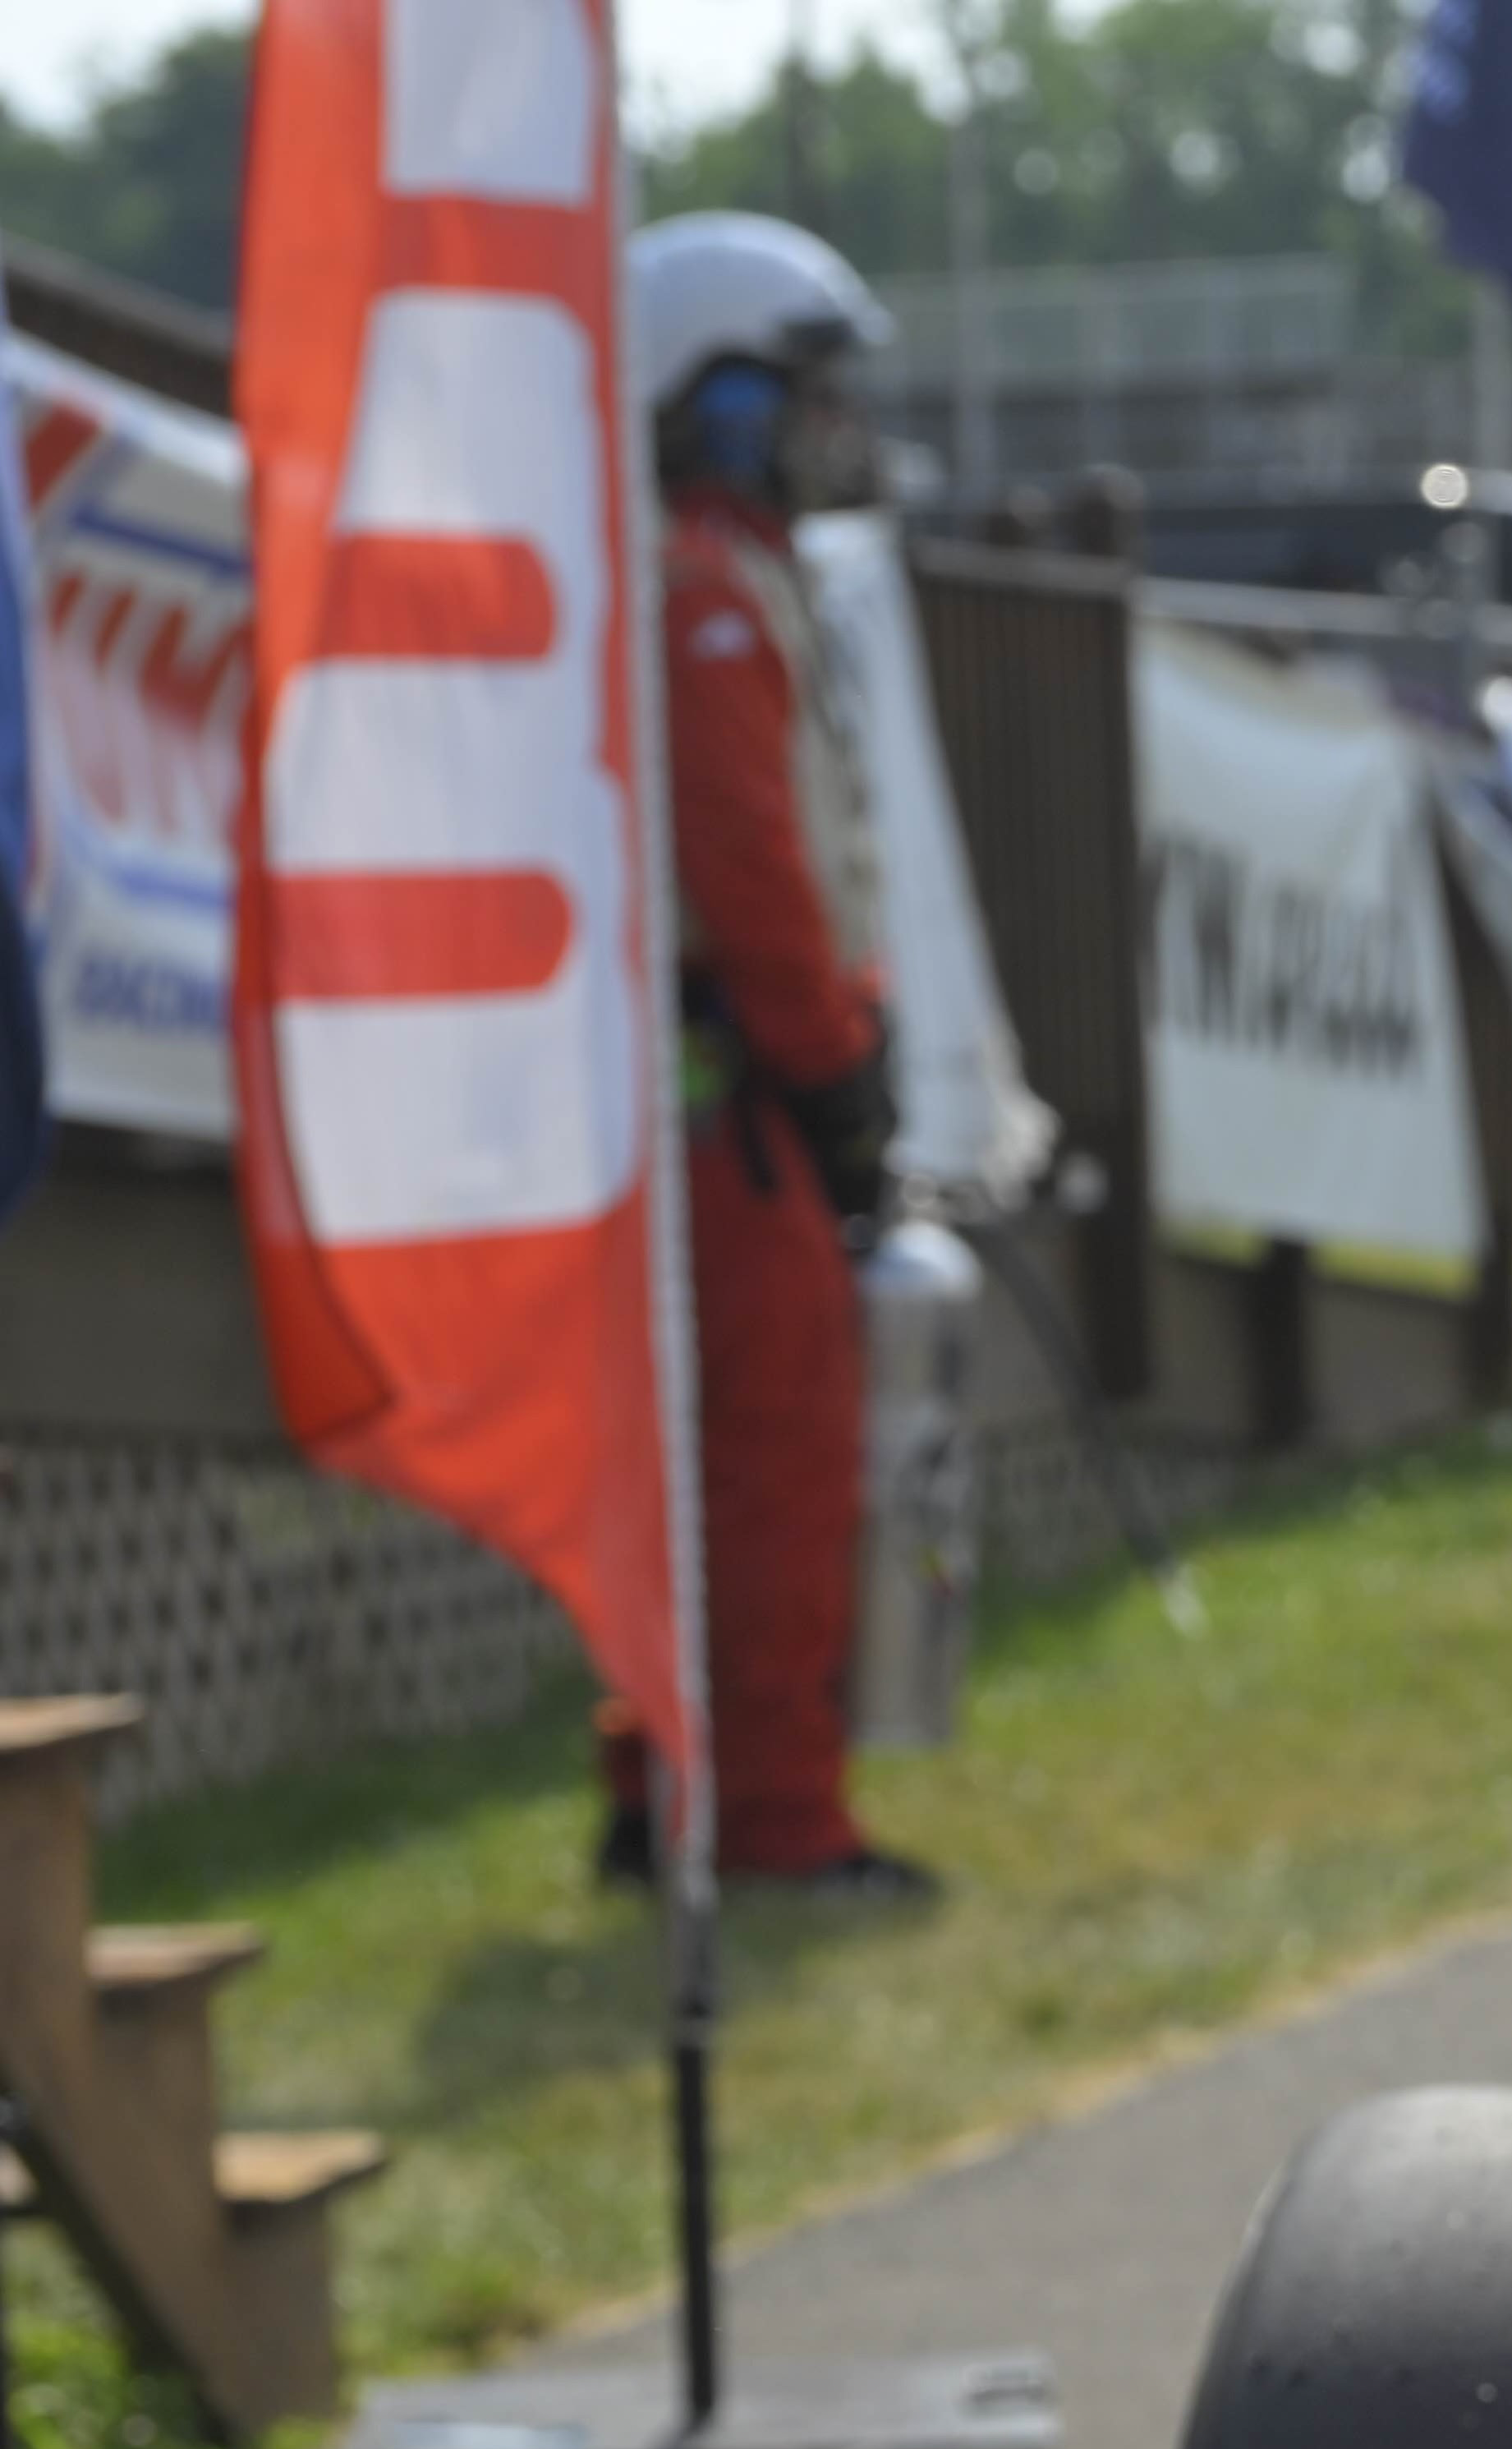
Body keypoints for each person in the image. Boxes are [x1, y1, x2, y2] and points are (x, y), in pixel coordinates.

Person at [604, 214, 930, 1903]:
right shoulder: (698, 594)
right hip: (734, 1101)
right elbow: (752, 870)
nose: (826, 427)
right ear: (706, 398)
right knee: (771, 1467)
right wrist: (831, 1067)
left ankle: (652, 1793)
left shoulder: (715, 579)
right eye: (795, 391)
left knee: (690, 1472)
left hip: (716, 1095)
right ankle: (777, 1822)